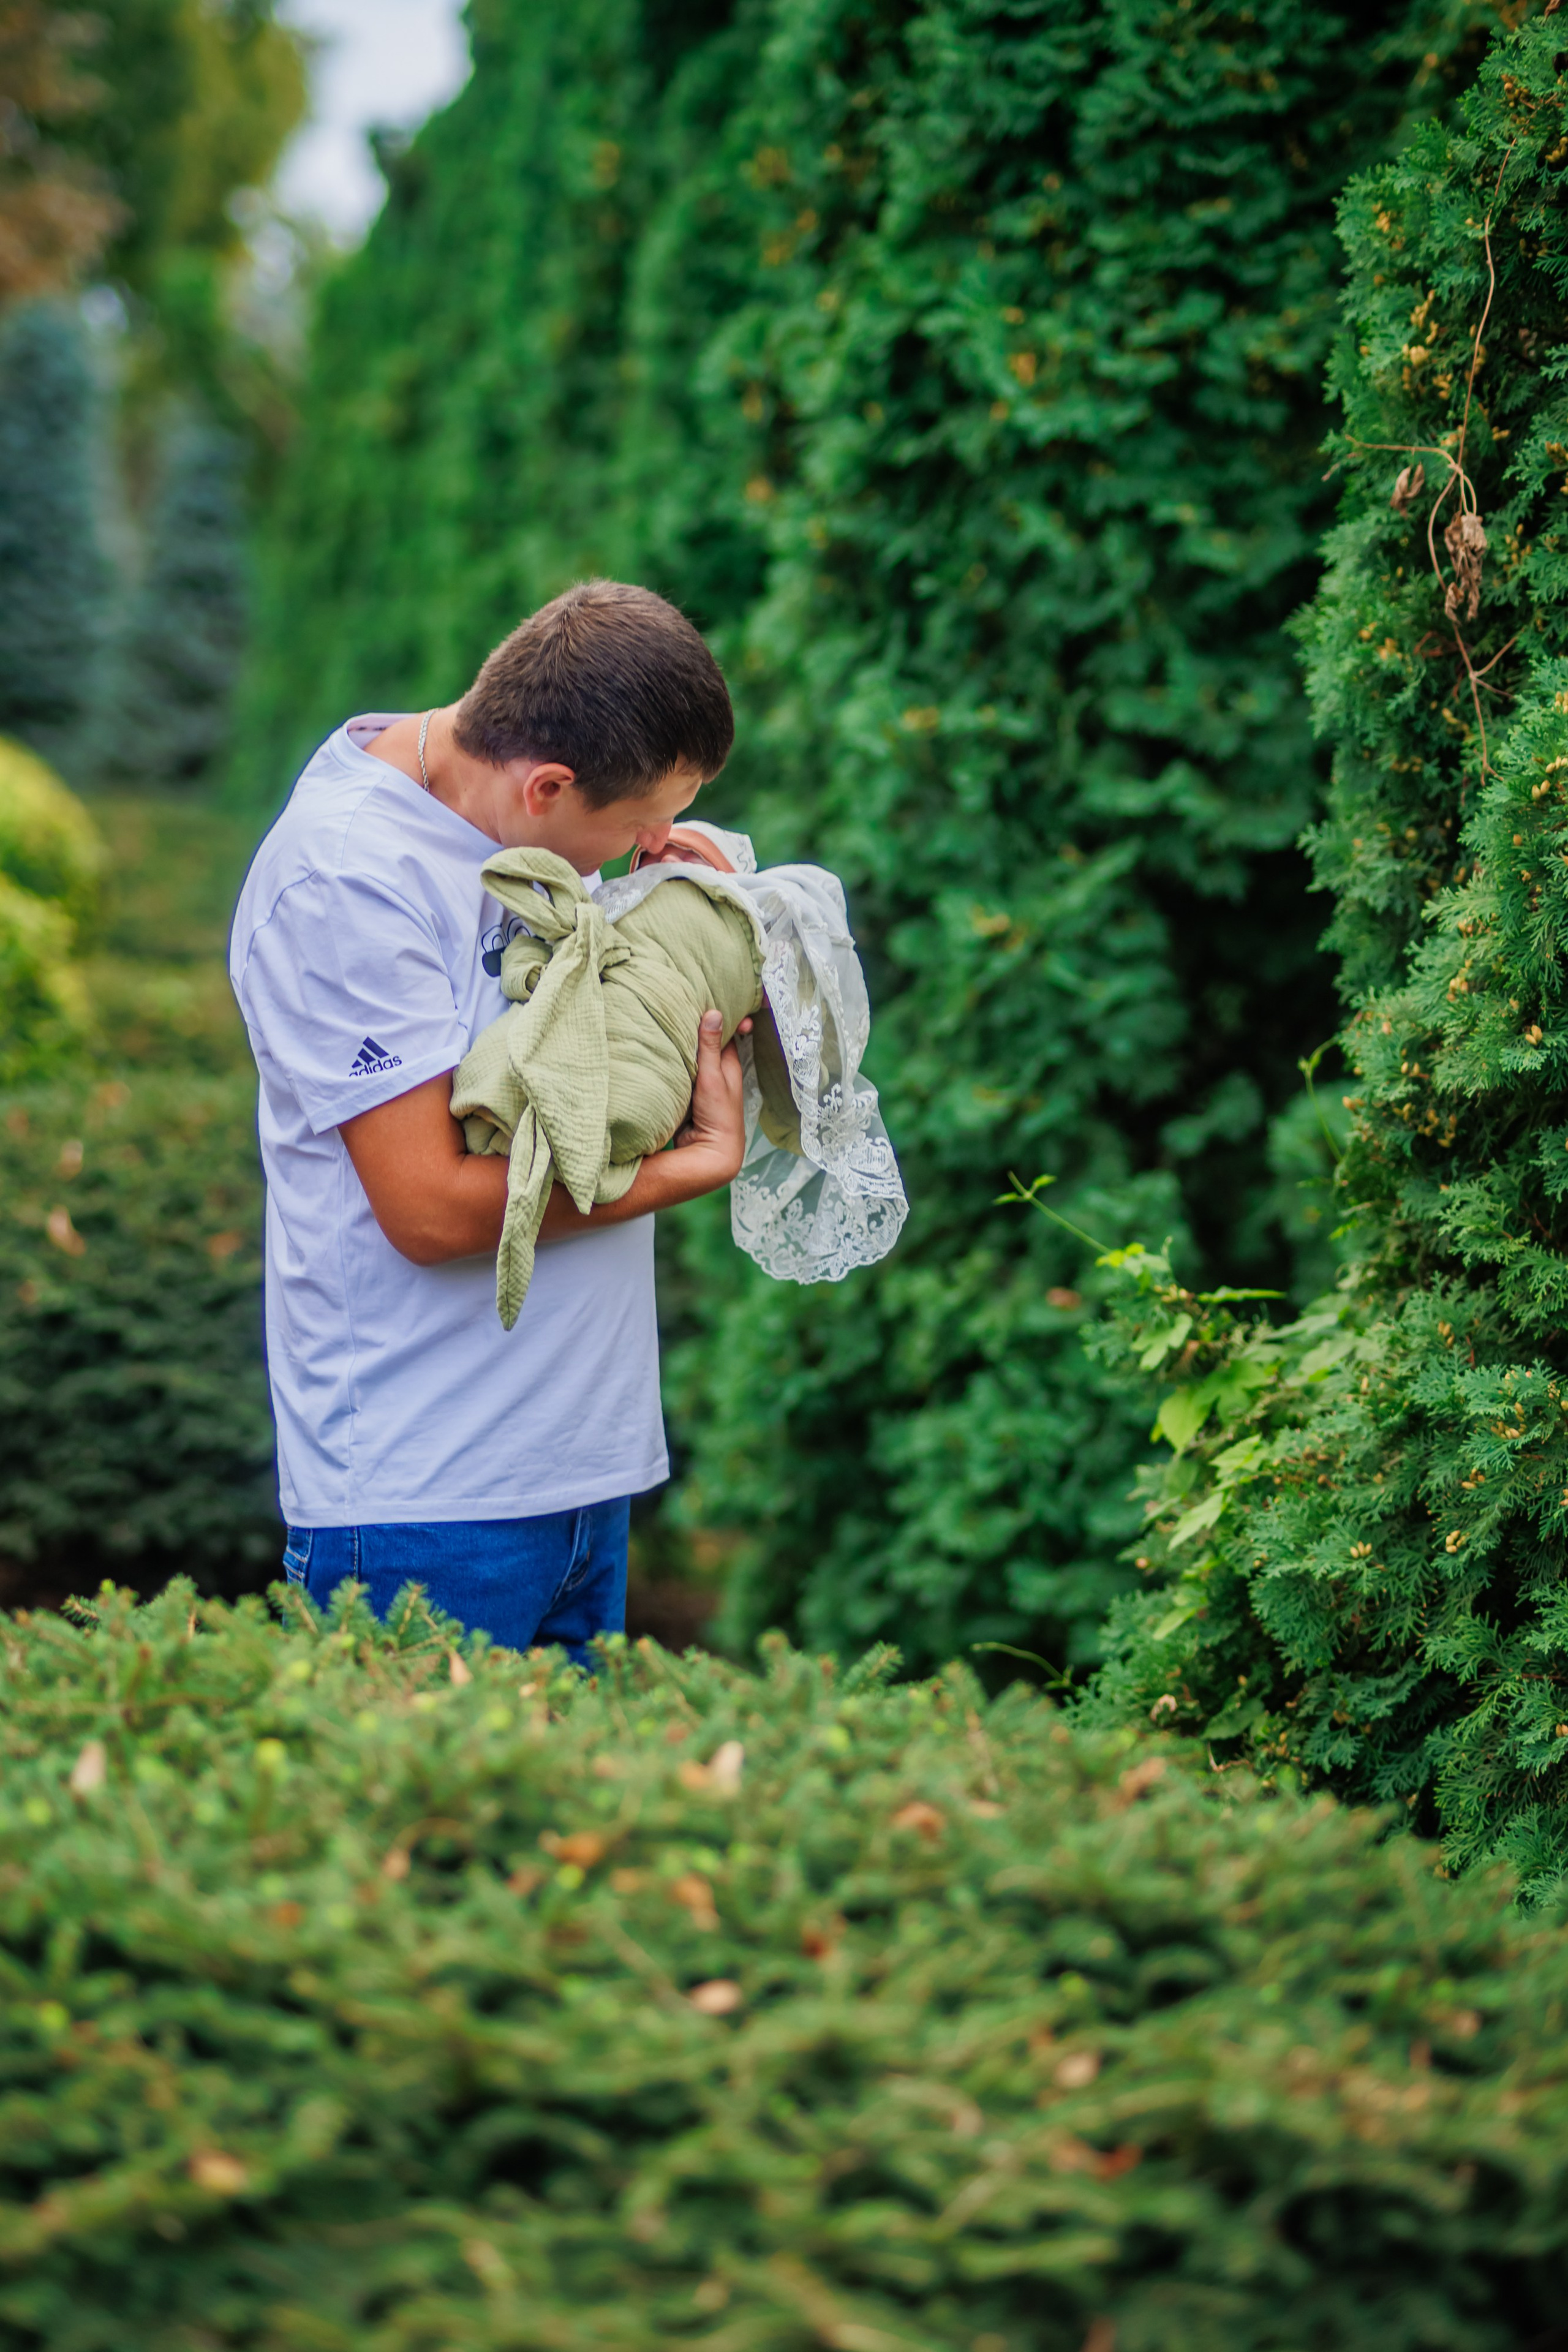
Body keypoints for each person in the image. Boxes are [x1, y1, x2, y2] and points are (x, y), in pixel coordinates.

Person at [228, 579, 745, 1665]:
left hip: (584, 1477)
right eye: (637, 823)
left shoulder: (528, 817)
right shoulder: (347, 877)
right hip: (428, 1499)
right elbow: (431, 1209)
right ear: (548, 784)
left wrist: (662, 904)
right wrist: (692, 1166)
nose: (652, 839)